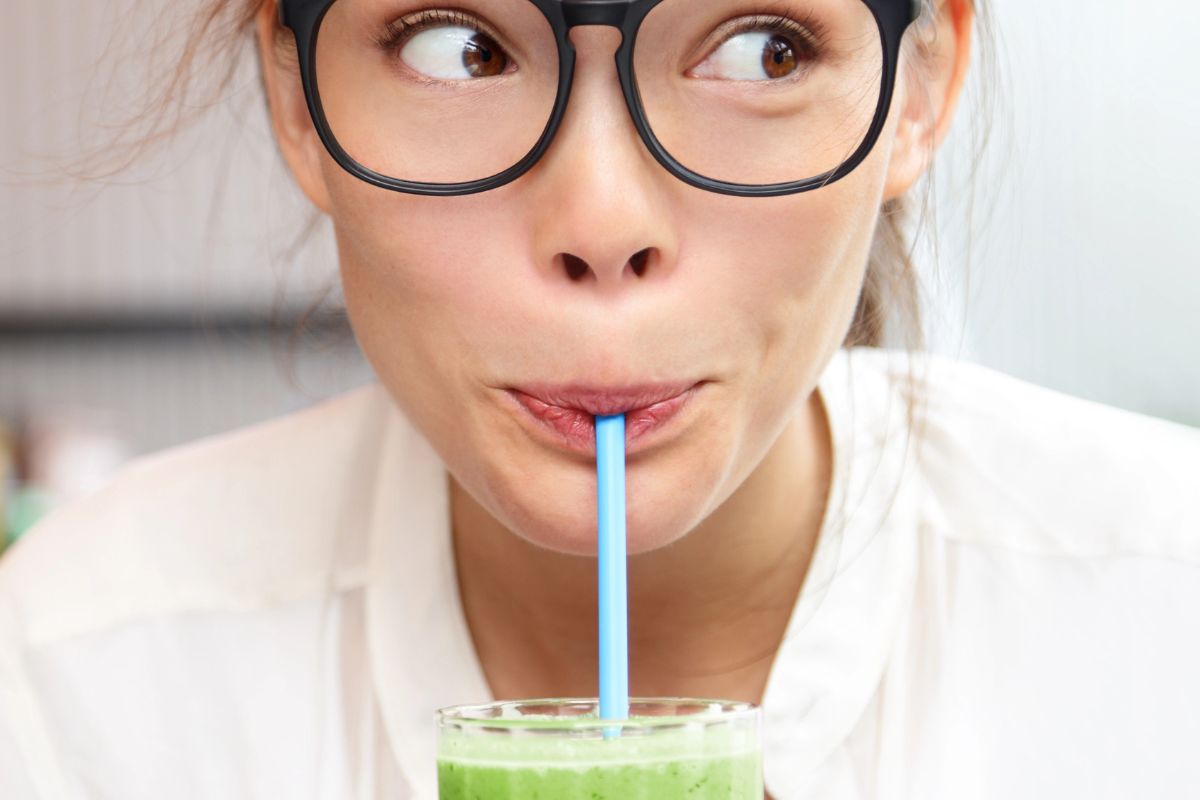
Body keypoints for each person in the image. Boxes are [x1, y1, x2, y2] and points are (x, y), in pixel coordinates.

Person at [1, 0, 1197, 797]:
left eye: (762, 47)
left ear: (918, 87)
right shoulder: (74, 678)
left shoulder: (1160, 625)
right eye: (460, 46)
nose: (602, 222)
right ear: (296, 95)